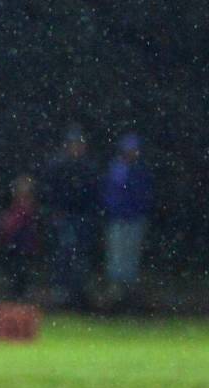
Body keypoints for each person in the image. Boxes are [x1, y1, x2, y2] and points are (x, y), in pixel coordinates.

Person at [39, 125, 100, 308]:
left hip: (82, 217)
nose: (76, 147)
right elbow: (49, 191)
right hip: (63, 217)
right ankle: (61, 291)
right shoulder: (58, 165)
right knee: (63, 254)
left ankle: (77, 292)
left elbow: (93, 193)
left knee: (80, 255)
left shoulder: (88, 167)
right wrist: (55, 211)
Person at [102, 132, 153, 304]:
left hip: (134, 219)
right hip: (117, 219)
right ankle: (116, 290)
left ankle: (128, 291)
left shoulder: (140, 170)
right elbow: (110, 194)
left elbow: (145, 195)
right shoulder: (116, 169)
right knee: (116, 253)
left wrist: (138, 211)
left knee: (131, 254)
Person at [0, 174, 41, 299]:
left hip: (26, 245)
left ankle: (22, 295)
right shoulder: (11, 206)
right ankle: (14, 296)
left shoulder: (33, 207)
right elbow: (6, 226)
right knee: (13, 271)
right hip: (13, 244)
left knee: (24, 272)